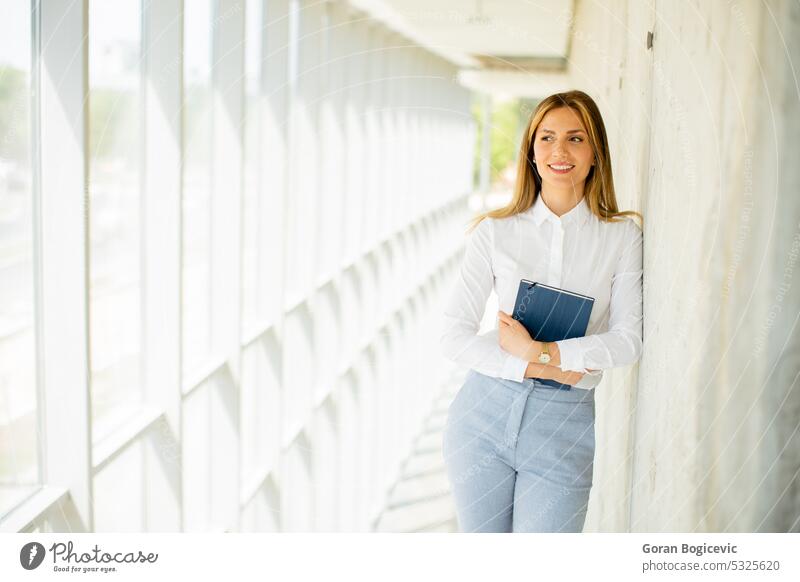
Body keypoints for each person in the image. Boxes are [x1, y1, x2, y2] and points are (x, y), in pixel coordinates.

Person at [440, 90, 643, 533]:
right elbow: (452, 335)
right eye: (546, 138)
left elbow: (628, 341)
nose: (559, 151)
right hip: (482, 419)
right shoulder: (495, 233)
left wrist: (540, 350)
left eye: (575, 139)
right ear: (531, 152)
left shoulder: (621, 237)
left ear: (596, 152)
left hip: (561, 429)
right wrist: (537, 367)